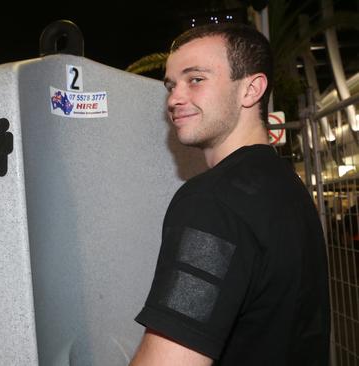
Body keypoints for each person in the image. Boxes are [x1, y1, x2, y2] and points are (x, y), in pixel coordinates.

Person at [129, 23, 330, 366]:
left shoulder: (212, 201)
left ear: (250, 90)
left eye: (196, 79)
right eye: (171, 85)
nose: (174, 98)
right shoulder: (287, 186)